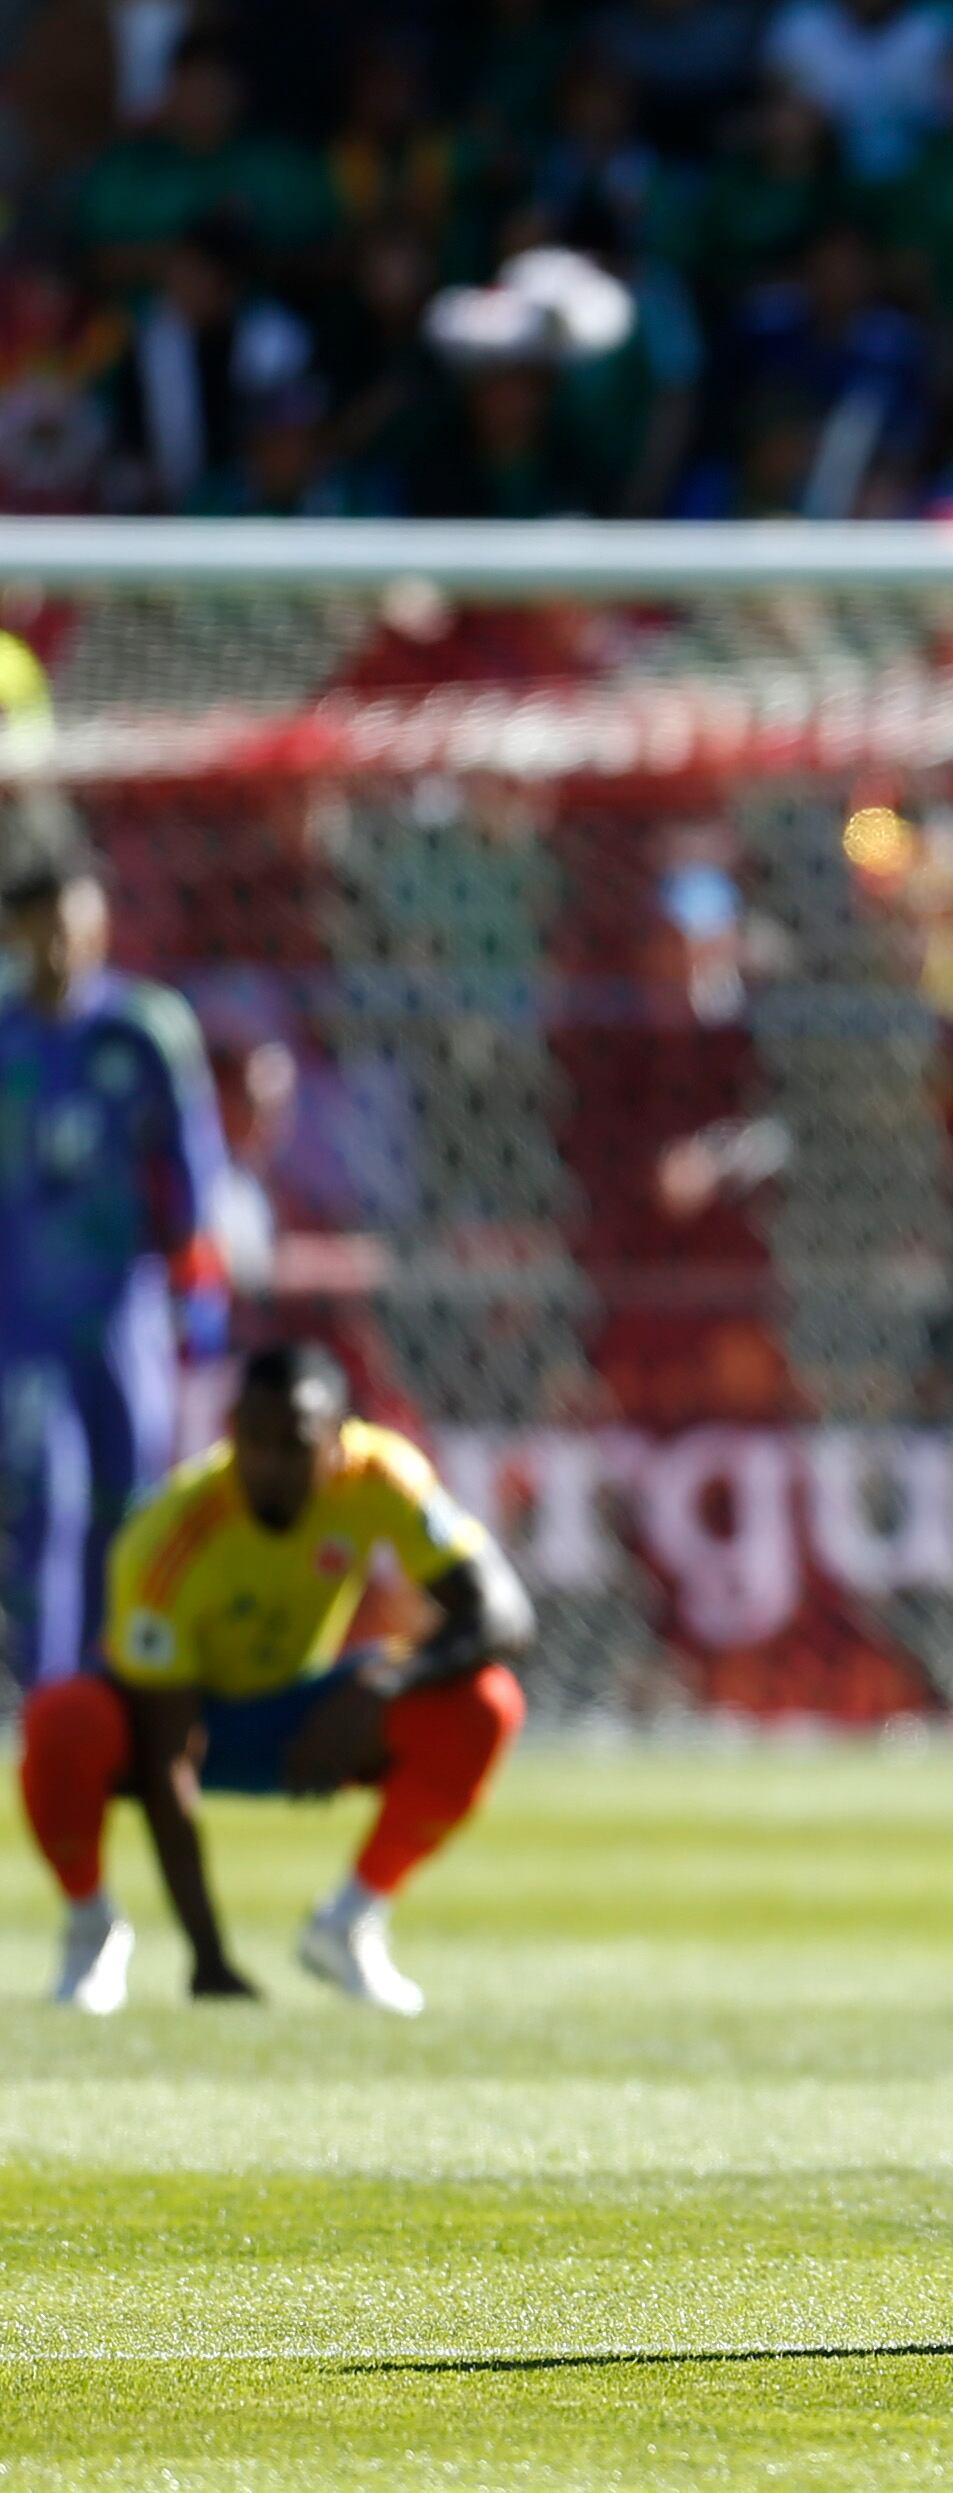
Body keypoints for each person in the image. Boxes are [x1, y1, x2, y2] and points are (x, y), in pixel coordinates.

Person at [20, 1343, 532, 2016]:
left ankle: (348, 1922)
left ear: (337, 1441)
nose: (268, 1465)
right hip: (175, 1724)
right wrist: (208, 1957)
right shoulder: (169, 1535)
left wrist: (388, 1683)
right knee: (62, 1719)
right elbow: (170, 1755)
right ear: (231, 1430)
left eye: (292, 1445)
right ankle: (93, 1931)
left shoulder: (382, 1478)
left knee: (485, 1702)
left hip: (300, 1710)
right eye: (251, 1441)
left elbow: (502, 1613)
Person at [0, 825, 231, 1693]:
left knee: (129, 1510)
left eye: (74, 923)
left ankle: (118, 1699)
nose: (60, 945)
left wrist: (198, 1291)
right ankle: (45, 1707)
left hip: (122, 1310)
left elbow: (192, 1172)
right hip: (19, 1318)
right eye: (41, 927)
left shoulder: (146, 1031)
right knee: (42, 1502)